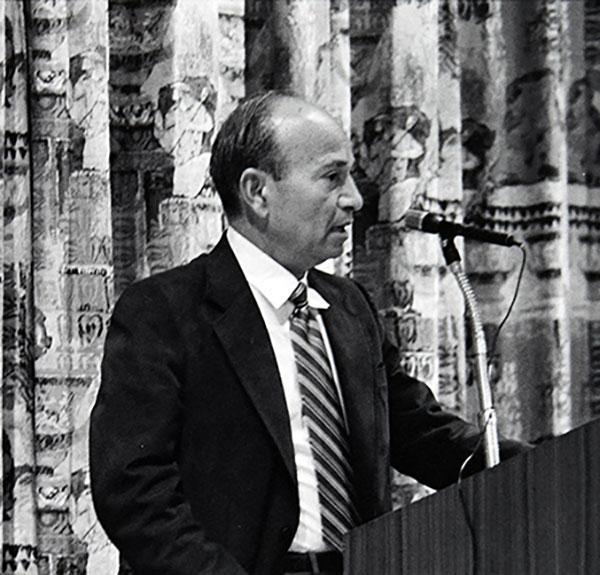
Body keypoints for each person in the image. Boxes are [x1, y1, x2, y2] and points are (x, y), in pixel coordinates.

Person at [90, 92, 526, 575]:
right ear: (257, 192)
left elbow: (420, 434)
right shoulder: (164, 311)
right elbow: (132, 490)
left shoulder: (349, 308)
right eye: (332, 176)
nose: (355, 199)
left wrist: (537, 467)